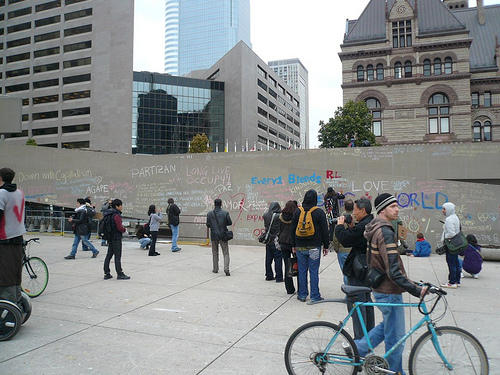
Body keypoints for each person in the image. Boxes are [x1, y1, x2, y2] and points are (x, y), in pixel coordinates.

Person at [355, 193, 427, 374]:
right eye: (393, 206)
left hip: (382, 287)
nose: (397, 209)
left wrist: (412, 283)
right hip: (389, 290)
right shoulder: (385, 232)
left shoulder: (376, 227)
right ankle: (394, 371)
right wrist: (417, 290)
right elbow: (393, 271)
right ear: (383, 209)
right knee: (395, 337)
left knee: (388, 326)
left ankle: (359, 348)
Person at [334, 197, 375, 340]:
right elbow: (357, 237)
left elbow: (346, 239)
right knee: (366, 301)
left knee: (357, 304)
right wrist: (352, 225)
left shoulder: (364, 225)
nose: (354, 213)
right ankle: (369, 335)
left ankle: (360, 340)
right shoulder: (370, 222)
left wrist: (339, 225)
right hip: (366, 268)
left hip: (358, 270)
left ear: (363, 210)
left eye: (356, 210)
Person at [291, 189, 329, 303]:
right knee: (313, 270)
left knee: (302, 270)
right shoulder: (319, 212)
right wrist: (326, 246)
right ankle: (314, 295)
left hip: (300, 246)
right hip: (314, 247)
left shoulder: (298, 211)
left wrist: (293, 245)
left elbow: (292, 229)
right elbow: (324, 230)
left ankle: (302, 294)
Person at [0, 167, 26, 306]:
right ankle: (16, 300)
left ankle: (7, 305)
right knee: (15, 272)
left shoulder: (1, 194)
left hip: (5, 239)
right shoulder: (20, 192)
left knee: (5, 274)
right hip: (18, 237)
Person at [103, 199, 130, 280]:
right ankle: (120, 273)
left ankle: (106, 273)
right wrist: (124, 230)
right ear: (117, 206)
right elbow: (119, 227)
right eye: (120, 205)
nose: (121, 207)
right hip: (116, 237)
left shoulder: (108, 214)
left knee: (109, 255)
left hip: (110, 237)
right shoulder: (116, 215)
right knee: (117, 256)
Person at [206, 199, 232, 276]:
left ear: (214, 204)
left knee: (215, 252)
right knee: (226, 253)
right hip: (223, 235)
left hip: (214, 235)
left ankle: (215, 268)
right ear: (221, 204)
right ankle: (226, 269)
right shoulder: (225, 213)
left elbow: (208, 224)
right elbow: (229, 222)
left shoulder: (209, 214)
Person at [332, 198, 354, 285]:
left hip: (343, 250)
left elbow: (336, 236)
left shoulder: (340, 219)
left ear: (344, 208)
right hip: (353, 249)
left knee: (345, 272)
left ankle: (349, 292)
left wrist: (336, 248)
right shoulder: (356, 219)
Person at [440, 202, 461, 288]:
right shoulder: (455, 218)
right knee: (456, 262)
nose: (443, 211)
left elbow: (451, 233)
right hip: (456, 244)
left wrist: (445, 239)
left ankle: (452, 282)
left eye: (444, 209)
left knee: (451, 262)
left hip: (450, 244)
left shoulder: (449, 220)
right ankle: (457, 280)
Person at [279, 200, 298, 294]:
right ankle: (301, 287)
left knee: (287, 265)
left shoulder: (281, 216)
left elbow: (279, 229)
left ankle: (289, 288)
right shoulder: (296, 216)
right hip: (294, 243)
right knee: (297, 265)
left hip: (283, 242)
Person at [263, 202, 283, 282]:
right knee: (278, 259)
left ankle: (269, 275)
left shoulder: (265, 215)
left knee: (268, 259)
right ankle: (279, 277)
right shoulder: (279, 216)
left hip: (268, 240)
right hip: (276, 240)